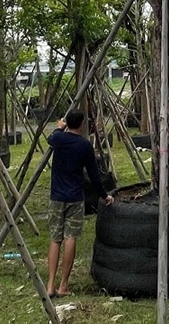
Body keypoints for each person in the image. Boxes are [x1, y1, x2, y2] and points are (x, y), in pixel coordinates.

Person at [46, 108, 114, 297]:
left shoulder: (58, 139)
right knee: (70, 238)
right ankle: (63, 285)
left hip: (56, 197)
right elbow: (94, 175)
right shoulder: (84, 146)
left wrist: (60, 127)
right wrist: (104, 195)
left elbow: (51, 138)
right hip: (75, 198)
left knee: (55, 239)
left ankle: (50, 285)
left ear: (67, 122)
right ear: (82, 124)